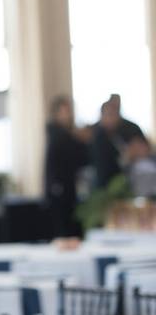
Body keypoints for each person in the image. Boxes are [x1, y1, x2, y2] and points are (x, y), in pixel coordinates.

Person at [43, 96, 89, 238]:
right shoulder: (59, 135)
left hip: (68, 189)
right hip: (59, 191)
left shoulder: (67, 134)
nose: (68, 115)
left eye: (69, 111)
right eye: (65, 111)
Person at [91, 100, 125, 189]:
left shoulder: (115, 134)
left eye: (116, 114)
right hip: (106, 188)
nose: (114, 118)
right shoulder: (99, 138)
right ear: (102, 116)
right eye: (110, 115)